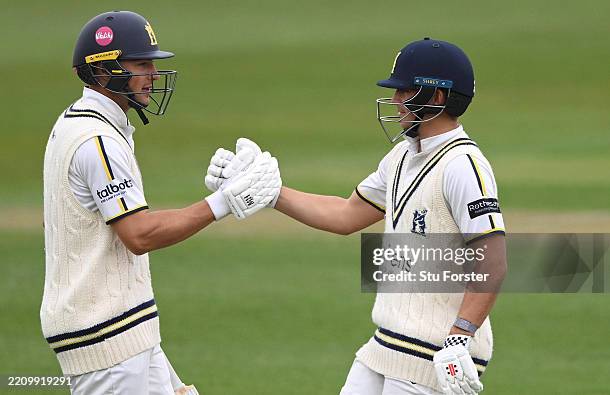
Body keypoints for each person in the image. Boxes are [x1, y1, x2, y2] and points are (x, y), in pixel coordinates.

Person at [206, 38, 507, 394]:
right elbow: (347, 215)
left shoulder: (463, 166)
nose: (396, 102)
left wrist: (459, 338)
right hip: (386, 344)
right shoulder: (401, 157)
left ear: (437, 98)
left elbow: (493, 260)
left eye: (405, 92)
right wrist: (269, 191)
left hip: (435, 354)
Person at [41, 10, 281, 395]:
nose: (153, 74)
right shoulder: (96, 141)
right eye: (141, 64)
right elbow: (138, 234)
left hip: (124, 331)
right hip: (105, 338)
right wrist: (224, 202)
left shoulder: (80, 124)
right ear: (104, 72)